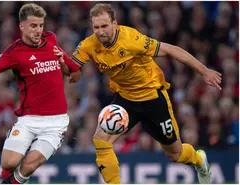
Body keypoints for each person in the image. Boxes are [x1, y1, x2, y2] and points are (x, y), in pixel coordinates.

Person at [70, 3, 221, 184]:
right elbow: (72, 68)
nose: (100, 31)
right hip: (125, 100)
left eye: (104, 26)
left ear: (114, 24)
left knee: (175, 154)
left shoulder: (132, 40)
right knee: (101, 140)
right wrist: (64, 64)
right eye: (96, 27)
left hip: (153, 98)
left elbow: (170, 49)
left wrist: (204, 71)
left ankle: (199, 160)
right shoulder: (89, 45)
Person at [0, 3, 80, 184]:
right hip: (28, 119)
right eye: (33, 26)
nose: (38, 30)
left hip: (56, 122)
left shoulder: (51, 41)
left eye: (40, 25)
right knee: (9, 163)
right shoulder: (14, 52)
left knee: (30, 164)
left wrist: (64, 64)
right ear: (22, 26)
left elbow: (75, 73)